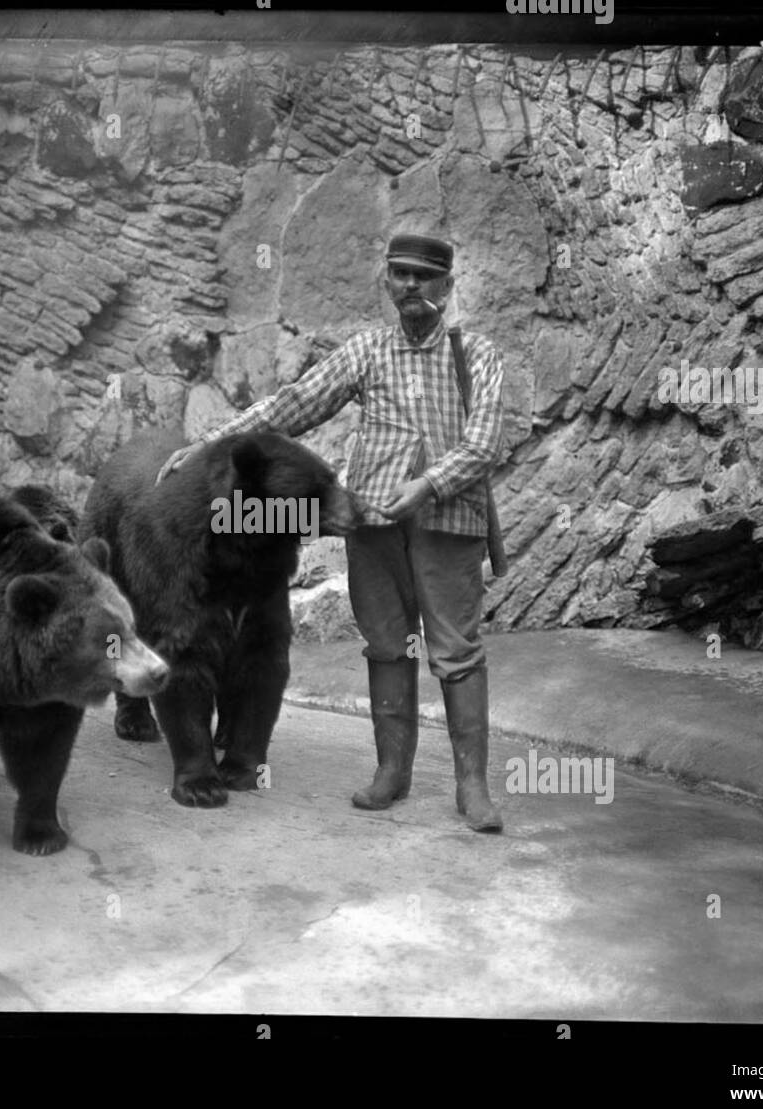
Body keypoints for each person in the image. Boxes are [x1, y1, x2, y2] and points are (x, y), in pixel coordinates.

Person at [157, 234, 505, 832]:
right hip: (371, 524)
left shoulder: (476, 356)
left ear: (448, 287)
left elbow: (485, 444)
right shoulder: (366, 351)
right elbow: (291, 406)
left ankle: (472, 785)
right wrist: (207, 447)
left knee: (456, 653)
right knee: (387, 647)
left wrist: (427, 486)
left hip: (448, 523)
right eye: (400, 274)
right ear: (388, 281)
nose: (411, 286)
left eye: (425, 276)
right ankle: (391, 772)